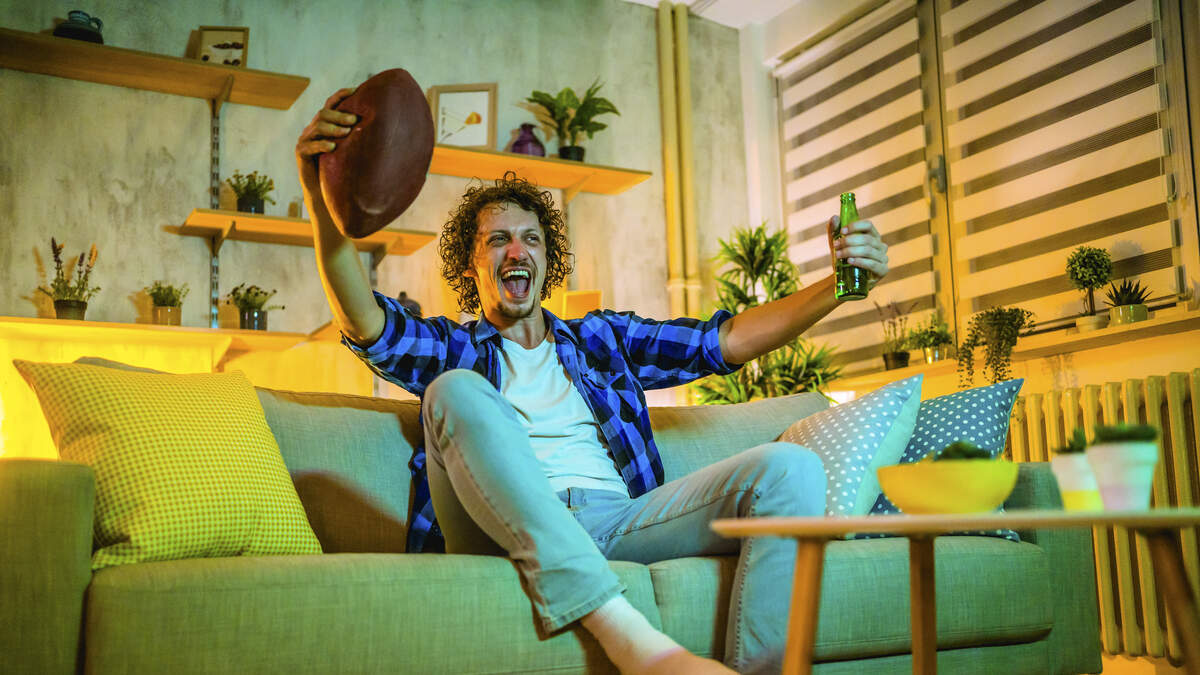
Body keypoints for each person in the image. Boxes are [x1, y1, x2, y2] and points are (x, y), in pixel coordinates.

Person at [297, 88, 889, 675]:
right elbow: (366, 322)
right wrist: (320, 197)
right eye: (497, 239)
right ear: (471, 266)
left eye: (531, 238)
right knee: (451, 390)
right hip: (496, 527)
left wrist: (840, 286)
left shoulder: (602, 340)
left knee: (790, 469)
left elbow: (726, 340)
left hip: (616, 521)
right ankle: (633, 641)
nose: (516, 250)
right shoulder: (454, 348)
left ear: (546, 262)